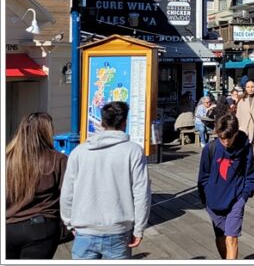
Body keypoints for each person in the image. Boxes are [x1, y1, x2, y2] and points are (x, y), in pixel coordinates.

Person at [60, 102, 151, 260]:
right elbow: (141, 193)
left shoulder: (79, 152)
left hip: (84, 228)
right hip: (118, 229)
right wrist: (139, 228)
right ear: (124, 123)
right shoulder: (133, 151)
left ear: (102, 123)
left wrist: (69, 222)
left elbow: (67, 192)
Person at [197, 114, 254, 260]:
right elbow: (203, 177)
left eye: (228, 138)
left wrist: (244, 196)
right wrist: (205, 199)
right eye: (221, 138)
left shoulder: (244, 147)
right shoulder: (210, 149)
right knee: (220, 238)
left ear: (236, 133)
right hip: (213, 202)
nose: (225, 142)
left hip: (236, 200)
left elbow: (251, 173)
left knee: (231, 238)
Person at [6, 113, 68, 259]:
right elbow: (68, 196)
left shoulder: (7, 159)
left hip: (8, 227)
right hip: (41, 228)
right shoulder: (58, 159)